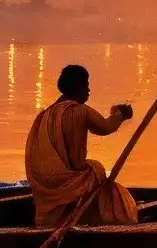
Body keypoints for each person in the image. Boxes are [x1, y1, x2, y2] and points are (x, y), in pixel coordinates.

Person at [24, 64, 139, 228]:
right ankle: (91, 215)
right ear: (77, 87)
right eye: (86, 86)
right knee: (97, 169)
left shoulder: (46, 113)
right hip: (71, 179)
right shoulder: (81, 111)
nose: (89, 90)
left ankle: (72, 213)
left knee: (92, 168)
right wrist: (120, 114)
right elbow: (106, 127)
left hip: (46, 182)